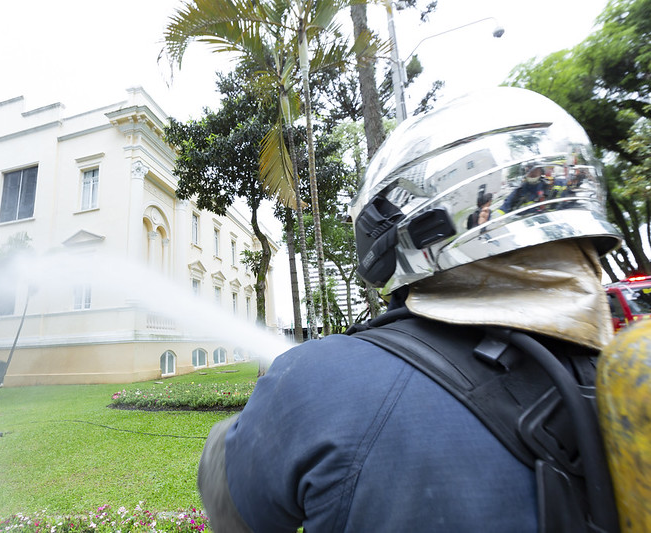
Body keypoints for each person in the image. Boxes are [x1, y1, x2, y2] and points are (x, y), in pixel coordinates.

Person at [197, 87, 622, 532]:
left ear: (411, 225)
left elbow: (233, 509)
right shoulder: (624, 375)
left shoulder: (322, 382)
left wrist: (243, 433)